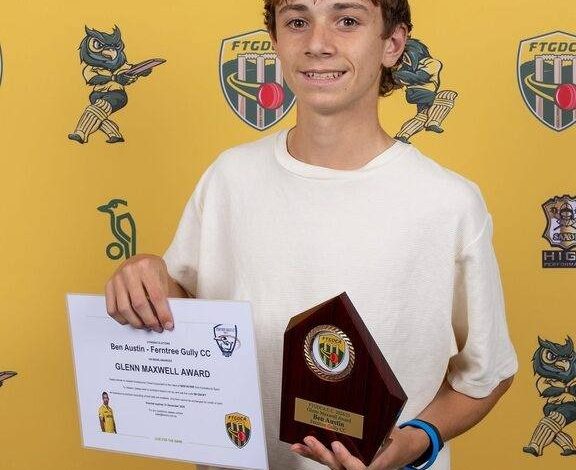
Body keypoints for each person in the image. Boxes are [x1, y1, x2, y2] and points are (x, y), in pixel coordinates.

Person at [104, 1, 518, 469]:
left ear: (392, 43)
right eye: (298, 22)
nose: (318, 44)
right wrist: (147, 275)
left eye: (348, 21)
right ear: (276, 43)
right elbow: (183, 312)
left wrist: (416, 440)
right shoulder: (229, 178)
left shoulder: (449, 203)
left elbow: (487, 374)